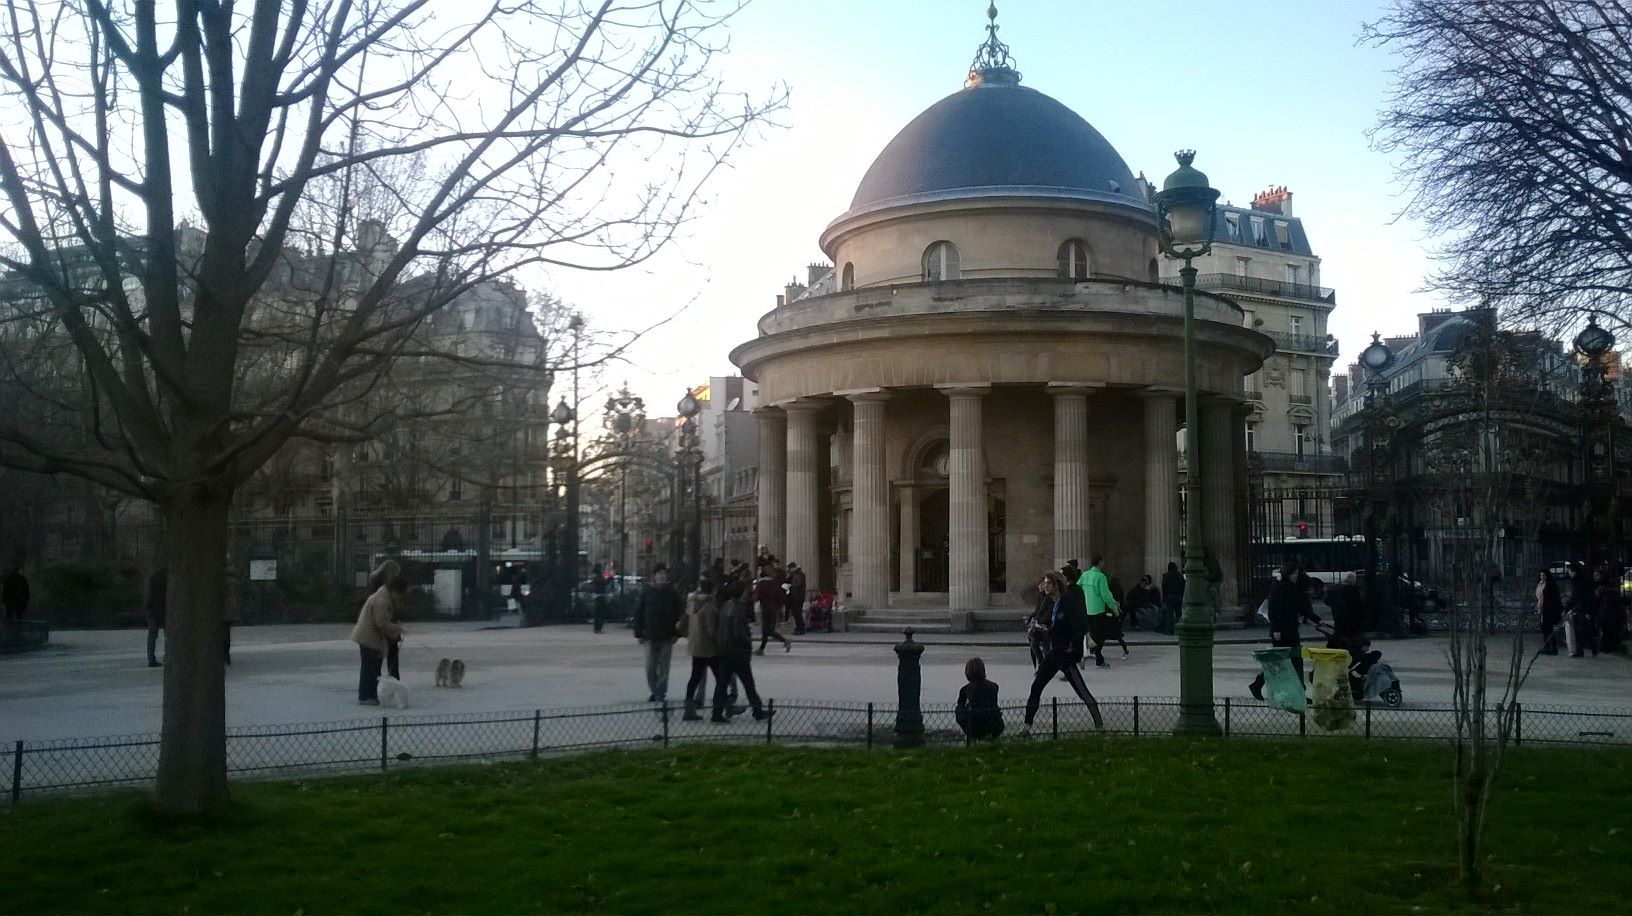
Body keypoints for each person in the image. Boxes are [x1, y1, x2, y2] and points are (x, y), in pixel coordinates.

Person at [1022, 571, 1104, 732]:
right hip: (1053, 653)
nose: (1045, 586)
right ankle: (1026, 726)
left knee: (1082, 691)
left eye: (1048, 583)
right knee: (1036, 687)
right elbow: (1045, 621)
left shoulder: (1067, 602)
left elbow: (1077, 626)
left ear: (1056, 585)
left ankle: (1099, 725)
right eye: (1044, 582)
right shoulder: (1048, 602)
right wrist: (1038, 629)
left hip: (1065, 654)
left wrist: (1073, 648)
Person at [1248, 563, 1322, 700]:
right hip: (1281, 630)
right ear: (1288, 573)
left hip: (1291, 628)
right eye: (1294, 573)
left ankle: (1299, 691)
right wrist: (1275, 628)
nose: (1296, 576)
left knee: (1295, 660)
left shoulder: (1292, 587)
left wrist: (1316, 619)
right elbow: (1274, 609)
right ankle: (1259, 683)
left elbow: (1301, 606)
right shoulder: (1280, 586)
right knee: (1279, 661)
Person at [350, 561, 406, 705]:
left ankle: (372, 694)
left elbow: (383, 621)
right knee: (370, 667)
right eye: (398, 596)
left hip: (372, 637)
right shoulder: (381, 599)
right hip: (368, 636)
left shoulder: (384, 595)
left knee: (373, 666)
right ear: (394, 591)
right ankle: (365, 696)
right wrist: (397, 629)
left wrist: (395, 630)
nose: (398, 599)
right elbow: (381, 622)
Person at [715, 577, 769, 722]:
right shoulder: (739, 607)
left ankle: (716, 712)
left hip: (726, 650)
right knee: (748, 684)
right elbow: (739, 632)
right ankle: (757, 711)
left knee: (722, 684)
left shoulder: (726, 605)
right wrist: (747, 642)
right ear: (741, 592)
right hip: (738, 651)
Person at [633, 564, 683, 702]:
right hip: (649, 635)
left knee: (664, 667)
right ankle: (654, 689)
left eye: (664, 573)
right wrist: (638, 633)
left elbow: (678, 615)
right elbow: (639, 613)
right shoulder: (646, 592)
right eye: (659, 573)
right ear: (654, 576)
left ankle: (660, 692)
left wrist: (677, 633)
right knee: (650, 666)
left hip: (667, 635)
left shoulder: (673, 594)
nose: (661, 575)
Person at [680, 575, 722, 721]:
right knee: (721, 678)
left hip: (695, 645)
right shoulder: (709, 606)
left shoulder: (692, 602)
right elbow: (711, 631)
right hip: (709, 648)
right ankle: (720, 708)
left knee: (695, 677)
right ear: (713, 590)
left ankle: (688, 708)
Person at [1081, 555, 1119, 667]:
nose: (1104, 564)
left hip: (1087, 609)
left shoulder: (1085, 574)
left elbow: (1078, 588)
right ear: (1099, 562)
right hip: (1098, 610)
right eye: (1103, 562)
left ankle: (1092, 653)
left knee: (1091, 633)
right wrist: (1114, 608)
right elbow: (1106, 595)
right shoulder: (1100, 576)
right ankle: (1098, 657)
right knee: (1101, 635)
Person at [955, 657, 1003, 740]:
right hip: (995, 724)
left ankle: (971, 737)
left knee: (959, 708)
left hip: (974, 726)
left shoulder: (965, 689)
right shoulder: (994, 686)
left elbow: (960, 705)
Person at [754, 563, 790, 655]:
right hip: (774, 608)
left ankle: (784, 641)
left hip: (765, 608)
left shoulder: (761, 583)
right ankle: (761, 648)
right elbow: (780, 595)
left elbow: (756, 596)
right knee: (768, 630)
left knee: (767, 630)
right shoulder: (774, 583)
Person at [1567, 561, 1597, 658]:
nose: (1569, 573)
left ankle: (1590, 647)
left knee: (1582, 630)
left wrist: (1588, 611)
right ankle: (1582, 650)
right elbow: (1574, 597)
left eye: (1570, 571)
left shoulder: (1583, 582)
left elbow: (1588, 597)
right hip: (1577, 609)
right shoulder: (1574, 582)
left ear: (1574, 572)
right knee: (1579, 630)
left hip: (1583, 609)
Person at [1325, 572, 1363, 640]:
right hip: (1351, 618)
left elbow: (1328, 602)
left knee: (1339, 635)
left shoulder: (1335, 589)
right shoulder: (1354, 591)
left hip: (1337, 616)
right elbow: (1359, 606)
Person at [1536, 568, 1563, 655]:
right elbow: (1539, 597)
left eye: (1543, 575)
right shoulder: (1540, 584)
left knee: (1548, 628)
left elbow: (1554, 598)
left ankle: (1552, 648)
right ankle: (1547, 647)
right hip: (1542, 608)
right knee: (1545, 629)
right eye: (1541, 575)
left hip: (1549, 609)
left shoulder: (1551, 585)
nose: (1542, 577)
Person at [145, 567, 167, 667]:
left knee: (152, 634)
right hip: (163, 607)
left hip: (152, 607)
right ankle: (168, 657)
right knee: (168, 634)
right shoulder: (169, 576)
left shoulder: (155, 576)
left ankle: (151, 659)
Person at [784, 561, 809, 636]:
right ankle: (799, 627)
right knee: (796, 613)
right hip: (797, 596)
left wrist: (790, 585)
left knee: (797, 613)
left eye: (790, 569)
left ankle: (800, 628)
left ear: (793, 568)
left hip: (797, 597)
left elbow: (796, 584)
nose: (789, 571)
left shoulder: (798, 574)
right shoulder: (796, 574)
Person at [1159, 561, 1183, 635]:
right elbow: (1183, 586)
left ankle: (1170, 631)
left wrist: (1164, 599)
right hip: (1178, 596)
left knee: (1169, 615)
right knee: (1179, 614)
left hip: (1169, 597)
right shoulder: (1179, 576)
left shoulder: (1166, 576)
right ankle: (1181, 630)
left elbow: (1164, 588)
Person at [590, 562, 611, 633]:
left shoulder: (598, 576)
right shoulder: (599, 576)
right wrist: (609, 574)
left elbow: (608, 578)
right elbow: (607, 580)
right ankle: (598, 628)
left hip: (598, 596)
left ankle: (597, 628)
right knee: (600, 613)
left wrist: (608, 574)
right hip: (600, 596)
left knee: (598, 613)